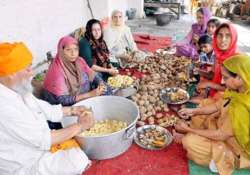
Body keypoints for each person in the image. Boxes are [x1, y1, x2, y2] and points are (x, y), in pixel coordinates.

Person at [0, 42, 94, 175]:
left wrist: (73, 110)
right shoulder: (4, 108)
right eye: (27, 68)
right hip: (25, 164)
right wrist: (80, 127)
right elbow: (42, 139)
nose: (32, 73)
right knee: (77, 161)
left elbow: (46, 109)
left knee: (76, 154)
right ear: (11, 73)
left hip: (39, 145)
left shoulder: (19, 89)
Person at [176, 54, 250, 175]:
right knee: (203, 109)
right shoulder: (237, 90)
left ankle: (226, 159)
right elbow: (217, 106)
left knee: (190, 142)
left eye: (225, 78)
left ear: (239, 79)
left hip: (237, 148)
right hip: (224, 128)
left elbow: (220, 135)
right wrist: (192, 111)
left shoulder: (243, 106)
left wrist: (189, 129)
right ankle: (200, 133)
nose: (222, 81)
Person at [43, 36, 111, 107]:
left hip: (84, 94)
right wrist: (90, 94)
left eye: (75, 49)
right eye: (68, 50)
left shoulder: (79, 61)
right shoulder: (57, 71)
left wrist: (101, 84)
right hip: (66, 105)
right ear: (61, 51)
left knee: (106, 89)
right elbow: (63, 100)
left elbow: (93, 75)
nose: (73, 53)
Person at [197, 23, 238, 96]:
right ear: (215, 37)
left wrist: (209, 84)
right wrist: (198, 71)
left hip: (228, 98)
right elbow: (213, 75)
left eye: (228, 36)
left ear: (234, 38)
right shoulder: (218, 56)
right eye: (220, 35)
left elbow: (235, 90)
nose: (223, 40)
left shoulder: (237, 60)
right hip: (215, 92)